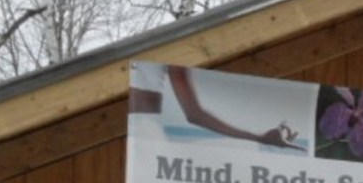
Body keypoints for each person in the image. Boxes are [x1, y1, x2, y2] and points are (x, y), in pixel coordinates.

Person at [130, 63, 305, 151]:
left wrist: (260, 138)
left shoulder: (172, 48)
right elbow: (195, 114)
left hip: (144, 136)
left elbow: (194, 113)